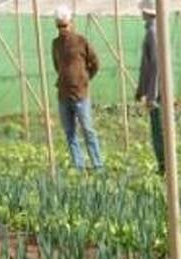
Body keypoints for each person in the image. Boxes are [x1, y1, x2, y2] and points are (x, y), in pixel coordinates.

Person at [52, 5, 103, 170]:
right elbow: (56, 65)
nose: (62, 29)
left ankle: (97, 164)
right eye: (59, 26)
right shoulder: (56, 44)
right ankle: (79, 166)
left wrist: (85, 78)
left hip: (80, 94)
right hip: (63, 95)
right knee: (70, 133)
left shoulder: (81, 41)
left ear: (71, 23)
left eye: (64, 25)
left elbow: (95, 63)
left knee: (88, 130)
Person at [134, 0, 165, 175]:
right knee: (158, 129)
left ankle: (164, 167)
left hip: (158, 93)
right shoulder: (154, 31)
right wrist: (140, 90)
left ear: (147, 13)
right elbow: (147, 66)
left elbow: (154, 67)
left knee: (158, 131)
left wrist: (151, 96)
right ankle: (164, 166)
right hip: (157, 90)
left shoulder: (152, 33)